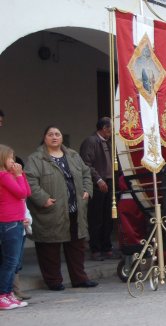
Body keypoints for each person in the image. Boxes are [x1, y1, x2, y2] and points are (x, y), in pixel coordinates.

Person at [25, 126, 97, 290]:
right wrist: (43, 199)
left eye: (57, 134)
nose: (54, 137)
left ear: (62, 138)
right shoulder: (36, 159)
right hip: (51, 210)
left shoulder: (72, 155)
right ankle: (53, 281)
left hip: (75, 208)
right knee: (49, 247)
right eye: (50, 134)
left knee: (77, 246)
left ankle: (79, 278)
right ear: (45, 138)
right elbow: (30, 181)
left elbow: (86, 173)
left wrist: (87, 191)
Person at [80, 117, 116, 261]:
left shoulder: (108, 142)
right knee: (96, 218)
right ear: (104, 128)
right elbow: (85, 164)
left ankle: (107, 247)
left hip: (109, 182)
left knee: (108, 217)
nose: (111, 132)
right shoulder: (91, 141)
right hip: (97, 184)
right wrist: (98, 179)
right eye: (110, 129)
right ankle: (95, 248)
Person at [0, 144, 30, 310]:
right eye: (10, 157)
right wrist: (18, 175)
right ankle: (3, 294)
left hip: (16, 221)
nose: (13, 160)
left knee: (13, 260)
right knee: (10, 261)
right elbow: (21, 194)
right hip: (9, 222)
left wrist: (21, 174)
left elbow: (27, 192)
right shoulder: (3, 176)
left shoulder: (9, 175)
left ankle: (8, 293)